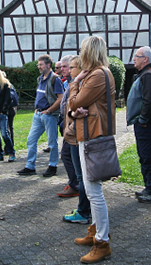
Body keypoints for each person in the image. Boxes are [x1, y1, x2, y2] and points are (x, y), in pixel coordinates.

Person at [69, 36, 115, 263]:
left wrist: (75, 81)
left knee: (93, 191)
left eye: (82, 50)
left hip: (93, 135)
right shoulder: (96, 73)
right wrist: (74, 112)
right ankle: (95, 232)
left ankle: (102, 242)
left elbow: (75, 102)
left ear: (89, 52)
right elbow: (75, 108)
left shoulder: (97, 74)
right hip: (88, 133)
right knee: (90, 188)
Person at [126, 46, 151, 203]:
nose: (134, 59)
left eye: (137, 56)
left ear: (146, 59)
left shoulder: (148, 75)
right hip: (144, 124)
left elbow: (149, 100)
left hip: (147, 125)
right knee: (145, 156)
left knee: (148, 156)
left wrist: (143, 120)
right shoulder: (145, 75)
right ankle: (149, 187)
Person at [17, 54, 63, 177]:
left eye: (41, 64)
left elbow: (61, 99)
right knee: (31, 140)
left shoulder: (55, 79)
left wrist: (49, 110)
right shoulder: (40, 78)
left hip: (49, 115)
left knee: (52, 142)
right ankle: (30, 166)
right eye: (38, 65)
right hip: (38, 115)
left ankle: (53, 166)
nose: (39, 67)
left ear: (48, 65)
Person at [62, 56, 92, 224]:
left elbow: (74, 107)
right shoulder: (77, 84)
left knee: (82, 176)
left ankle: (83, 211)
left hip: (76, 136)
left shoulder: (81, 85)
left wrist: (71, 122)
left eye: (73, 67)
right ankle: (84, 209)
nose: (70, 70)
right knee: (82, 175)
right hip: (72, 134)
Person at [57, 55, 79, 198]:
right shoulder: (67, 82)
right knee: (67, 155)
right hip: (67, 124)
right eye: (64, 67)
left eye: (67, 67)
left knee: (67, 154)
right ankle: (74, 182)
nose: (64, 69)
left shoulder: (75, 82)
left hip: (73, 126)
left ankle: (75, 185)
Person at [1, 70, 16, 149]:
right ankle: (10, 145)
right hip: (11, 109)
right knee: (9, 127)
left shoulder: (4, 85)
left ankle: (8, 147)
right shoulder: (11, 85)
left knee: (6, 129)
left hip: (6, 109)